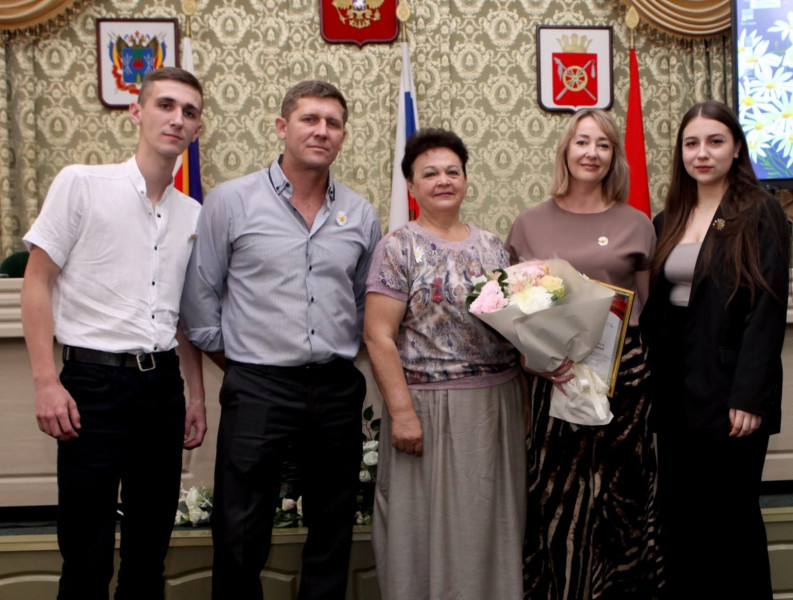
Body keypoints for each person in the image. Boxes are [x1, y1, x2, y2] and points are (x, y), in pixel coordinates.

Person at [180, 80, 381, 600]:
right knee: (240, 529)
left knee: (332, 526)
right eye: (309, 119)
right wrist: (245, 368)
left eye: (333, 123)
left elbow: (364, 304)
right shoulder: (230, 201)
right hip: (257, 386)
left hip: (335, 389)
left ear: (343, 135)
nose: (321, 131)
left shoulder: (360, 213)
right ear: (281, 126)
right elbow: (201, 301)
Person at [20, 67, 208, 600]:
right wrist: (46, 382)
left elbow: (182, 317)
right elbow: (36, 282)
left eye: (189, 112)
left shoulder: (194, 214)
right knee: (87, 552)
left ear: (197, 129)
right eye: (165, 105)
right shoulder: (82, 184)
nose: (177, 119)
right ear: (136, 112)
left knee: (149, 552)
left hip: (162, 390)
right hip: (92, 384)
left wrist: (196, 395)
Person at [505, 109, 662, 599]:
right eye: (582, 142)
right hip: (555, 376)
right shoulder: (529, 224)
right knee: (557, 500)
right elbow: (516, 308)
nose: (592, 152)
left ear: (614, 156)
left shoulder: (637, 223)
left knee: (622, 501)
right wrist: (532, 359)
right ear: (566, 150)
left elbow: (650, 310)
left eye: (603, 144)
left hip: (624, 380)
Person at [364, 128, 526, 600]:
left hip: (495, 406)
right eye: (430, 173)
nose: (443, 181)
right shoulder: (397, 247)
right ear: (411, 186)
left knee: (490, 523)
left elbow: (515, 328)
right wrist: (402, 414)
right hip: (426, 410)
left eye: (453, 171)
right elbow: (378, 336)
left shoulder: (494, 247)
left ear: (466, 180)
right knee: (423, 526)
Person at [641, 101, 790, 600]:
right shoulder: (668, 218)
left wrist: (749, 396)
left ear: (737, 148)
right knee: (680, 519)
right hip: (676, 392)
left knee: (730, 523)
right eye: (691, 143)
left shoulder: (761, 211)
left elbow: (767, 311)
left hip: (731, 393)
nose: (701, 153)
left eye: (714, 141)